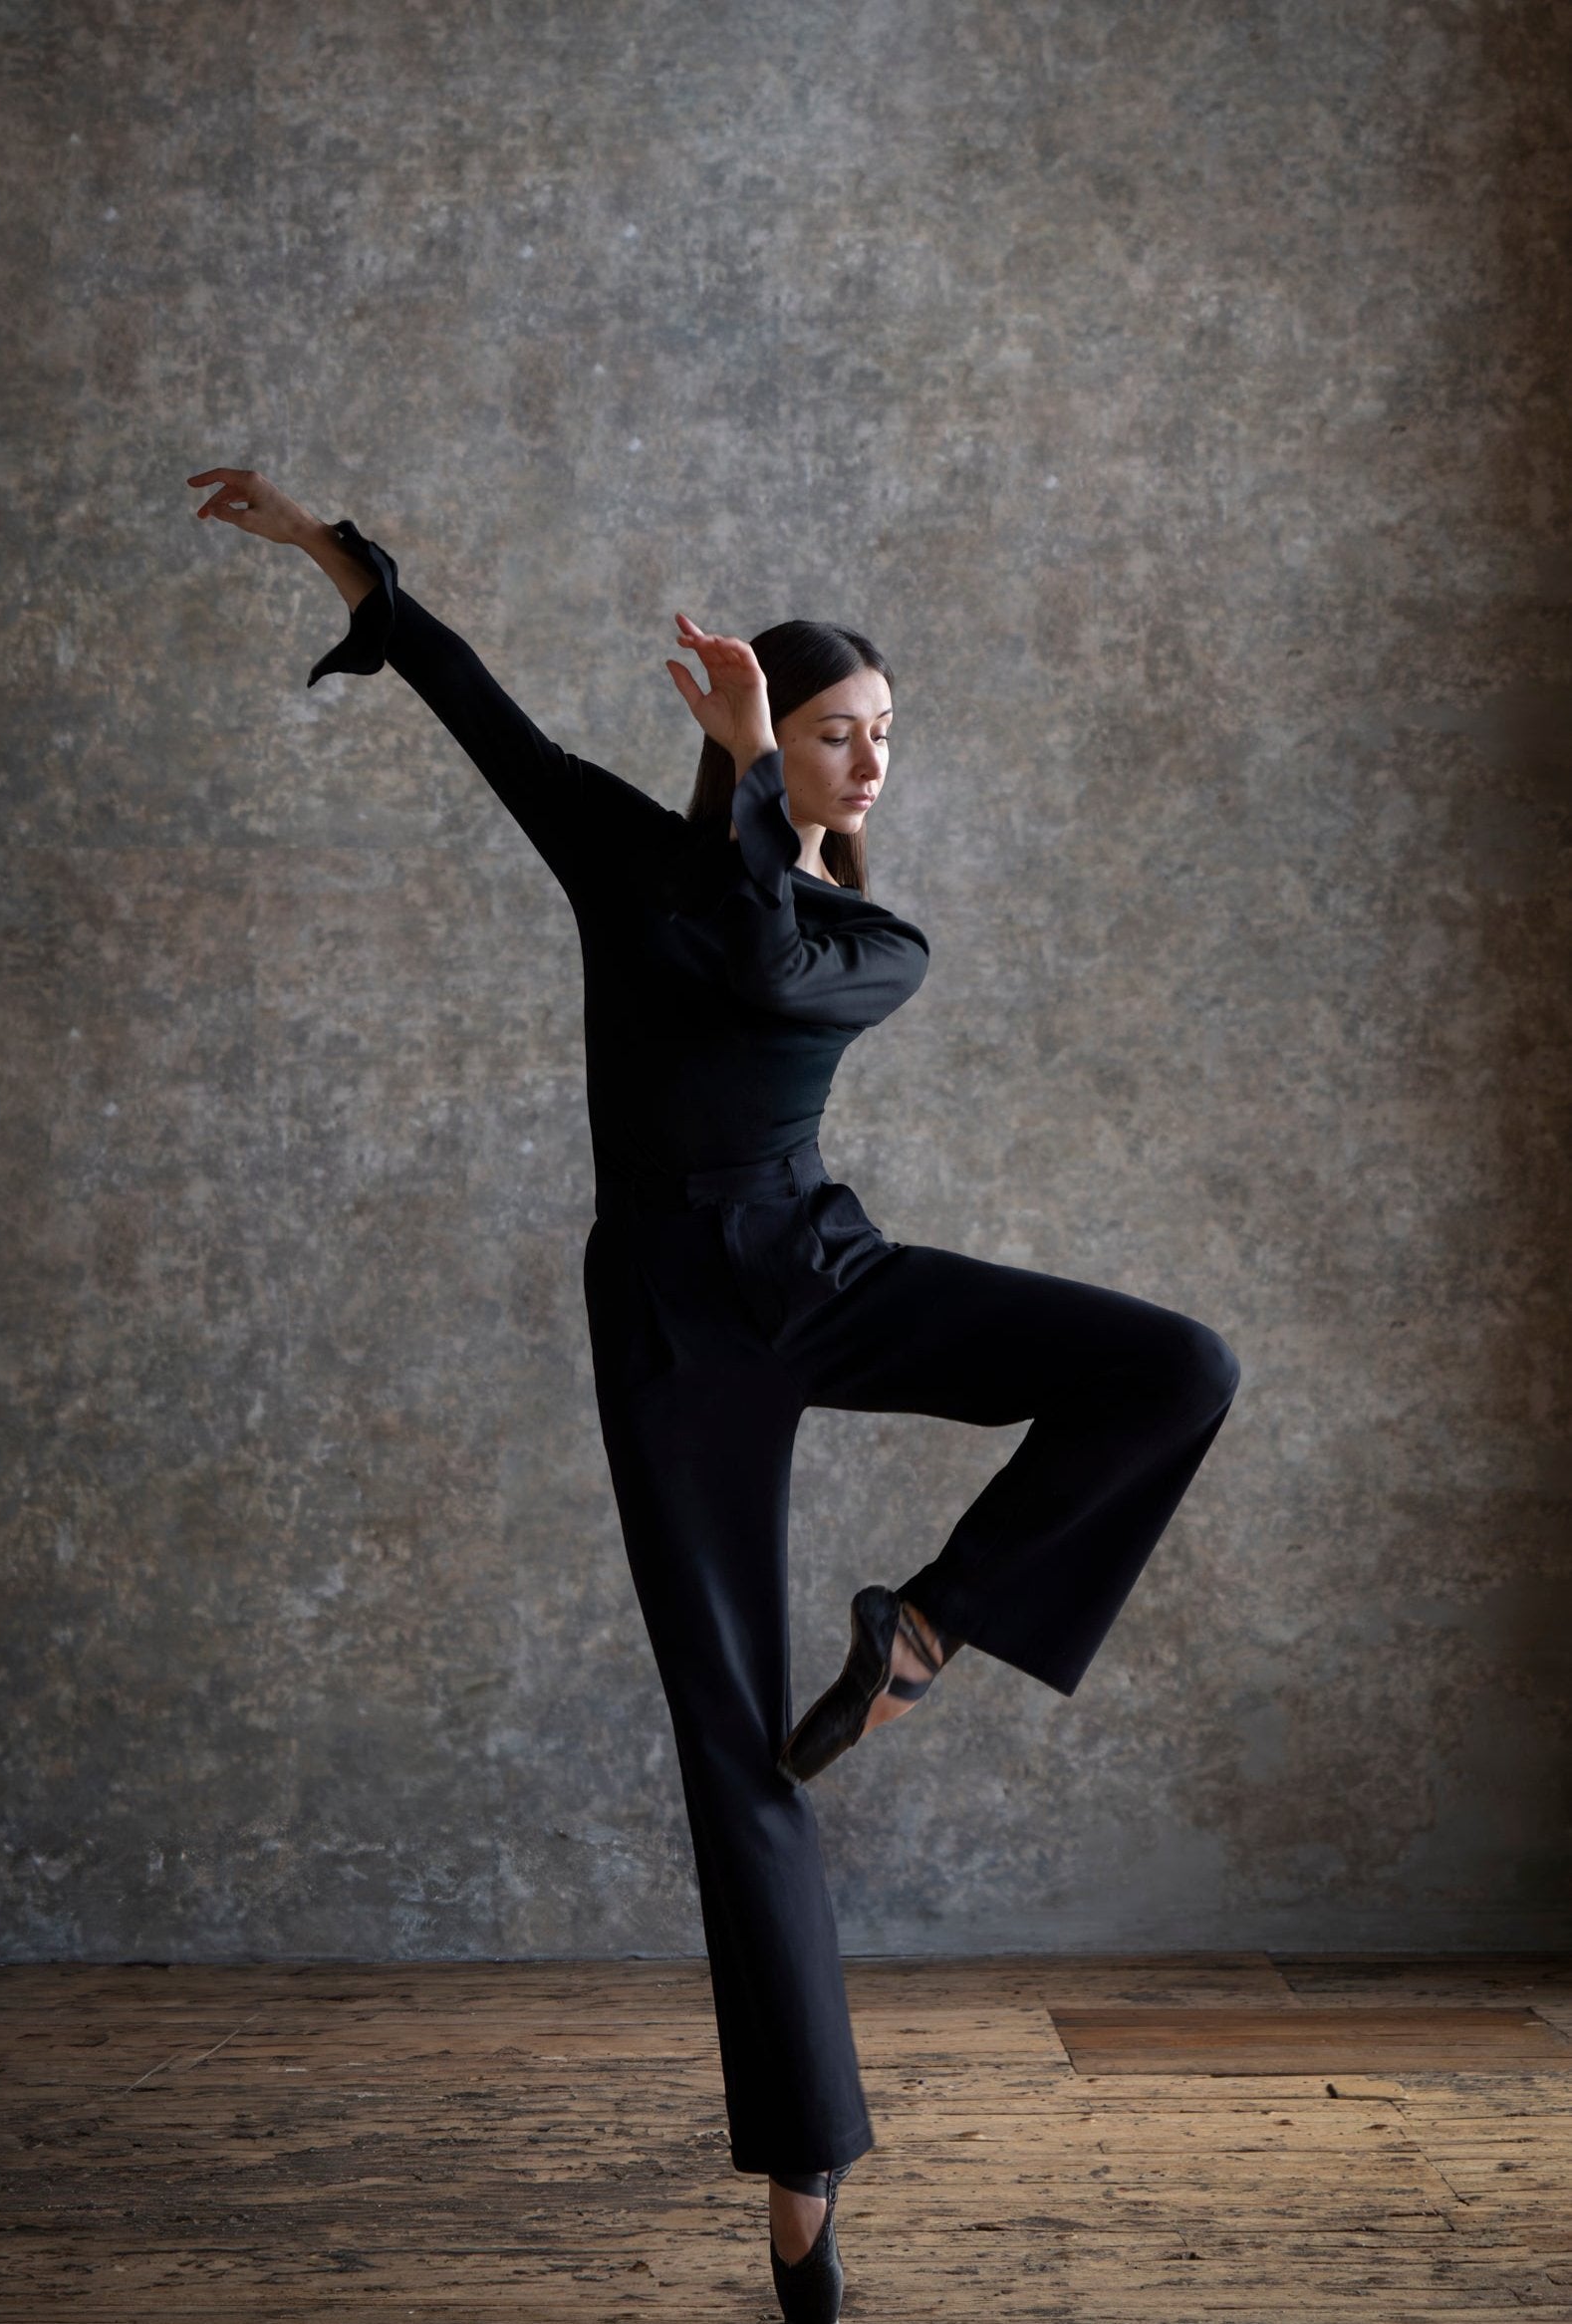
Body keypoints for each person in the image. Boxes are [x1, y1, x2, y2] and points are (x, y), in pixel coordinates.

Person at [186, 466, 1243, 2323]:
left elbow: (765, 962)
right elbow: (480, 709)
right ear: (766, 738)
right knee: (735, 1750)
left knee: (1176, 1365)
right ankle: (805, 2179)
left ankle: (925, 1624)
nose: (870, 763)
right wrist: (331, 552)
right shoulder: (638, 860)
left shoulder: (870, 943)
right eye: (838, 733)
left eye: (881, 736)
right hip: (673, 1328)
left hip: (820, 1275)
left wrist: (760, 784)